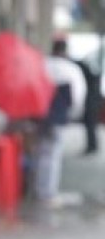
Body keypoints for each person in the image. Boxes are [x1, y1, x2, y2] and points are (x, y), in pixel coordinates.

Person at [39, 39, 86, 205]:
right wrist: (71, 115)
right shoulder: (70, 69)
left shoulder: (42, 64)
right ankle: (47, 193)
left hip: (38, 115)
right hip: (57, 116)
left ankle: (35, 189)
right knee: (52, 156)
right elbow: (78, 96)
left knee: (38, 153)